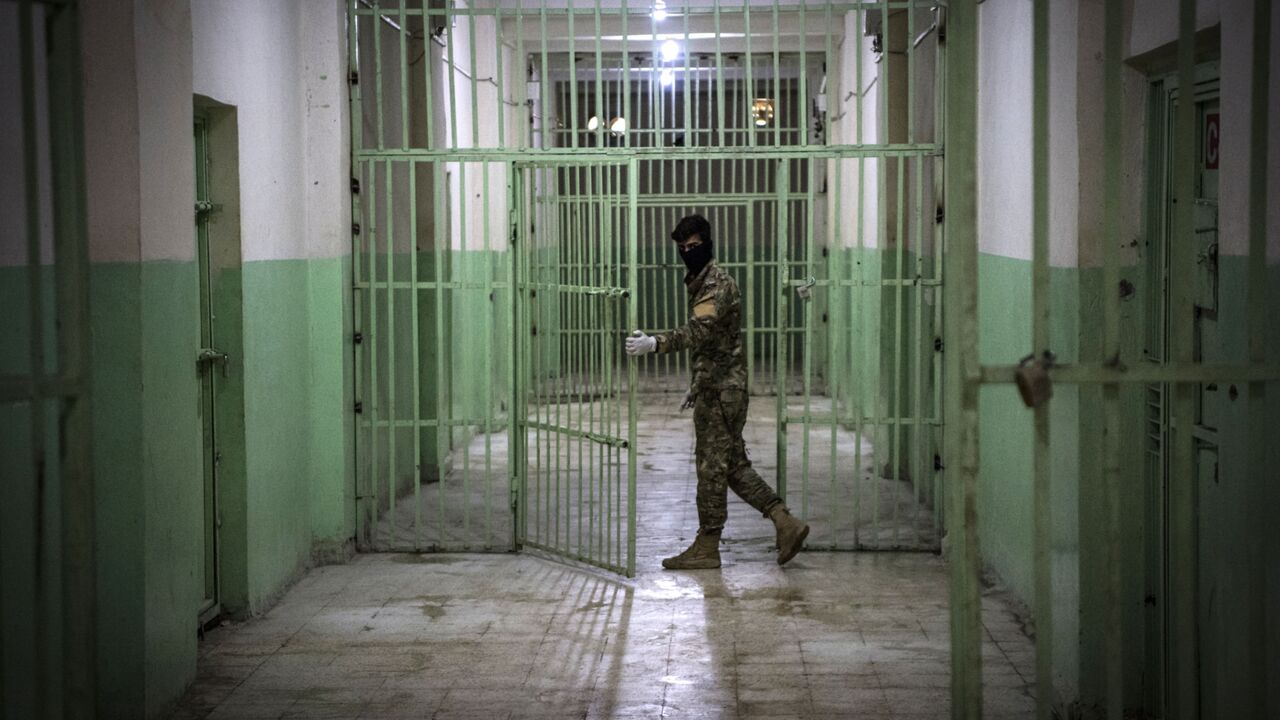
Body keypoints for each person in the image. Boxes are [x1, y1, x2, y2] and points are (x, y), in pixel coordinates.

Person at [625, 214, 809, 569]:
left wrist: (655, 343)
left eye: (693, 246)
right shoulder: (700, 280)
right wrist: (698, 384)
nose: (687, 252)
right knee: (732, 465)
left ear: (707, 244)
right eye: (681, 248)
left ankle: (708, 545)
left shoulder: (717, 283)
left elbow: (700, 332)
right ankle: (785, 522)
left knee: (711, 468)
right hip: (718, 388)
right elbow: (712, 348)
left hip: (724, 392)